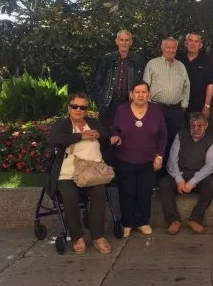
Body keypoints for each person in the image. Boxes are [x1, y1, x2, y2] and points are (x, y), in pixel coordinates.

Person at [47, 92, 112, 254]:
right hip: (67, 173)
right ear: (68, 108)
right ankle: (77, 237)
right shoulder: (62, 124)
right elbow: (54, 139)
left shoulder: (93, 122)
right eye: (74, 106)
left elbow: (106, 134)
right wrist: (80, 136)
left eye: (82, 107)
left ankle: (98, 237)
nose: (78, 110)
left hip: (92, 172)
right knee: (70, 197)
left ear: (86, 109)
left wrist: (99, 134)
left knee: (99, 193)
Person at [110, 81, 168, 237]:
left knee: (144, 192)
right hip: (125, 158)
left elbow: (163, 135)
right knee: (127, 192)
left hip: (148, 160)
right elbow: (114, 129)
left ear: (149, 94)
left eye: (144, 92)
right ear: (131, 94)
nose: (141, 95)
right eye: (137, 92)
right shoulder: (122, 109)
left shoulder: (156, 111)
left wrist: (159, 156)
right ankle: (127, 223)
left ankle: (142, 222)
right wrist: (115, 136)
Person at [159, 113, 213, 235]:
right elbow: (172, 159)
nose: (196, 129)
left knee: (212, 183)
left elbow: (210, 166)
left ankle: (195, 219)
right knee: (164, 183)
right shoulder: (180, 135)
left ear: (206, 126)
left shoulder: (210, 141)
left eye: (199, 126)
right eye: (193, 126)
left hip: (198, 177)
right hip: (180, 173)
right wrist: (178, 179)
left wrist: (192, 182)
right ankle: (173, 220)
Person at [91, 30, 145, 164]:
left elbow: (141, 84)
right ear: (116, 41)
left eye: (127, 40)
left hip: (128, 105)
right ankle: (106, 169)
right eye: (121, 40)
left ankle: (122, 169)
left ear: (131, 42)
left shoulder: (138, 60)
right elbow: (98, 83)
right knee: (105, 137)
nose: (124, 43)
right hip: (108, 105)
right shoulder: (107, 59)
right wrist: (100, 102)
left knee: (126, 138)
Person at [143, 37, 190, 167]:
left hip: (175, 110)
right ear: (162, 48)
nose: (170, 50)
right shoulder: (152, 64)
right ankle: (153, 171)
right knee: (155, 139)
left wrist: (184, 105)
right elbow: (146, 86)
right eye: (168, 47)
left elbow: (186, 86)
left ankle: (168, 171)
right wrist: (149, 106)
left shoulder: (180, 66)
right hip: (156, 108)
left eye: (173, 48)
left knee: (172, 141)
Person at [176, 33, 213, 120]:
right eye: (190, 40)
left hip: (199, 108)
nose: (193, 44)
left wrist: (207, 106)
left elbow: (210, 85)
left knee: (197, 128)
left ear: (200, 45)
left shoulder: (206, 61)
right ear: (186, 43)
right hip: (179, 106)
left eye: (196, 41)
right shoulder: (178, 59)